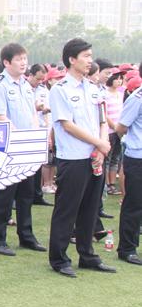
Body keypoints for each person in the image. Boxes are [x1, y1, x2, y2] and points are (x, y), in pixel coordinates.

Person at [48, 38, 116, 277]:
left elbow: (102, 120)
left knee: (90, 209)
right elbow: (67, 125)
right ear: (71, 59)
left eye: (90, 56)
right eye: (86, 56)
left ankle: (87, 255)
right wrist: (99, 143)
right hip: (73, 158)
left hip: (95, 156)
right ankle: (59, 259)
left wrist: (101, 147)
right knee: (67, 210)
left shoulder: (94, 89)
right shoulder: (60, 90)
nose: (90, 61)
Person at [0, 43, 45, 256]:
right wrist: (20, 139)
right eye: (18, 59)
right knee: (4, 195)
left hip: (26, 148)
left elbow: (32, 114)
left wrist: (34, 137)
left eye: (25, 58)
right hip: (7, 149)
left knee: (26, 194)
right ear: (7, 62)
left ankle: (26, 236)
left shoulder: (25, 85)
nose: (23, 63)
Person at [116, 82, 142, 266]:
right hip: (138, 157)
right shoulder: (137, 98)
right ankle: (127, 248)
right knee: (134, 204)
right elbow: (121, 127)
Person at [27, 64, 53, 206]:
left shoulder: (43, 90)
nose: (40, 82)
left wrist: (48, 133)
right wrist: (35, 108)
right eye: (38, 79)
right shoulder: (24, 88)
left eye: (42, 79)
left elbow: (48, 110)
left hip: (42, 128)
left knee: (39, 164)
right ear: (31, 75)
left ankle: (37, 195)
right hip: (28, 130)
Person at [104, 69, 125, 195]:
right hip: (109, 130)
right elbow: (104, 113)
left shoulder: (120, 94)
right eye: (116, 79)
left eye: (121, 79)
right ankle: (106, 184)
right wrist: (114, 126)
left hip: (119, 130)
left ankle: (112, 184)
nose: (119, 81)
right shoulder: (105, 94)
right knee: (108, 157)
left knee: (116, 158)